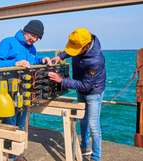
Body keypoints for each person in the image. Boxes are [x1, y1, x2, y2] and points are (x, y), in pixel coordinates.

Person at [0, 19, 50, 161]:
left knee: (21, 126)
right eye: (33, 36)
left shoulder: (32, 48)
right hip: (8, 94)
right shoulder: (8, 42)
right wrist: (15, 63)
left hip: (24, 93)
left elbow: (32, 61)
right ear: (26, 31)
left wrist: (41, 60)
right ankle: (9, 157)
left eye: (37, 38)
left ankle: (16, 156)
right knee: (10, 127)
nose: (34, 40)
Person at [48, 28, 106, 161]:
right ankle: (84, 146)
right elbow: (70, 51)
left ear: (85, 47)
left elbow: (86, 85)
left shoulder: (96, 60)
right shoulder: (81, 43)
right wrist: (60, 56)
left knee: (93, 125)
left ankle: (96, 157)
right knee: (82, 120)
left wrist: (62, 80)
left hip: (93, 92)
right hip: (81, 87)